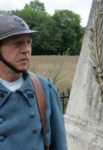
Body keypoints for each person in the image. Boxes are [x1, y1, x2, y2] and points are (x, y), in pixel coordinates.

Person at [0, 13, 67, 150]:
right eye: (17, 43)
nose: (26, 50)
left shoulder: (44, 89)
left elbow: (59, 145)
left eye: (29, 42)